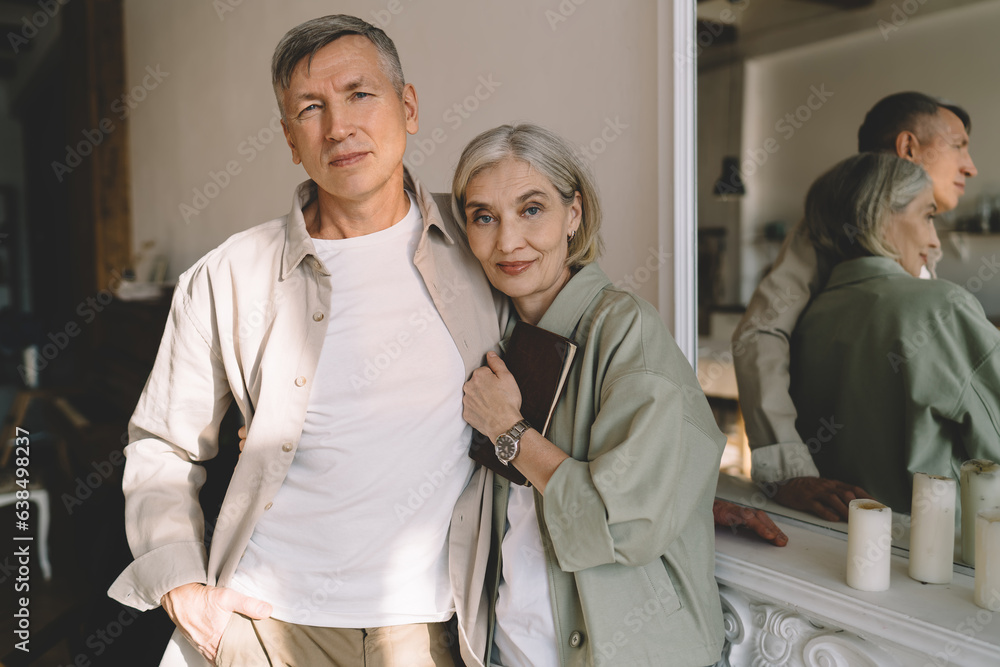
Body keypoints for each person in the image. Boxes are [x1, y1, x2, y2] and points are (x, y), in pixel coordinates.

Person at [107, 15, 503, 666]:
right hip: (264, 628)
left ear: (408, 107)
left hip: (430, 631)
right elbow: (162, 445)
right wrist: (181, 586)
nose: (338, 126)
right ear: (291, 139)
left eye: (359, 94)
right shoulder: (230, 275)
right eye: (310, 109)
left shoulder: (482, 243)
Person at [450, 123, 726, 666]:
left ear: (573, 214)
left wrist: (509, 432)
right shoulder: (493, 338)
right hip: (508, 651)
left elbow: (626, 524)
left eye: (532, 210)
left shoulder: (628, 331)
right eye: (484, 217)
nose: (508, 241)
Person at [732, 92, 978, 521]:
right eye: (958, 145)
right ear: (908, 148)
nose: (970, 166)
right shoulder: (831, 228)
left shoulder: (919, 245)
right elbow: (761, 333)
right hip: (851, 500)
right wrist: (789, 471)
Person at [789, 152, 1000, 513]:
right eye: (929, 216)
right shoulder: (942, 307)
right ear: (879, 214)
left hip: (831, 537)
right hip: (938, 543)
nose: (935, 242)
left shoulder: (806, 318)